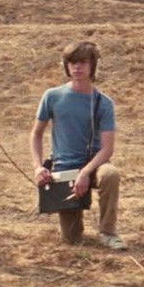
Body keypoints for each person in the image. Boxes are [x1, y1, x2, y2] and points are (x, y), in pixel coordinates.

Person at [30, 41, 127, 249]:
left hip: (94, 165)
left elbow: (107, 148)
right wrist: (38, 167)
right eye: (72, 62)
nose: (77, 67)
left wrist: (85, 172)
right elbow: (36, 134)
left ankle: (108, 232)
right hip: (64, 169)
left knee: (110, 174)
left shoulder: (103, 103)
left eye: (83, 62)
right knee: (71, 240)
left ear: (93, 66)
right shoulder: (52, 96)